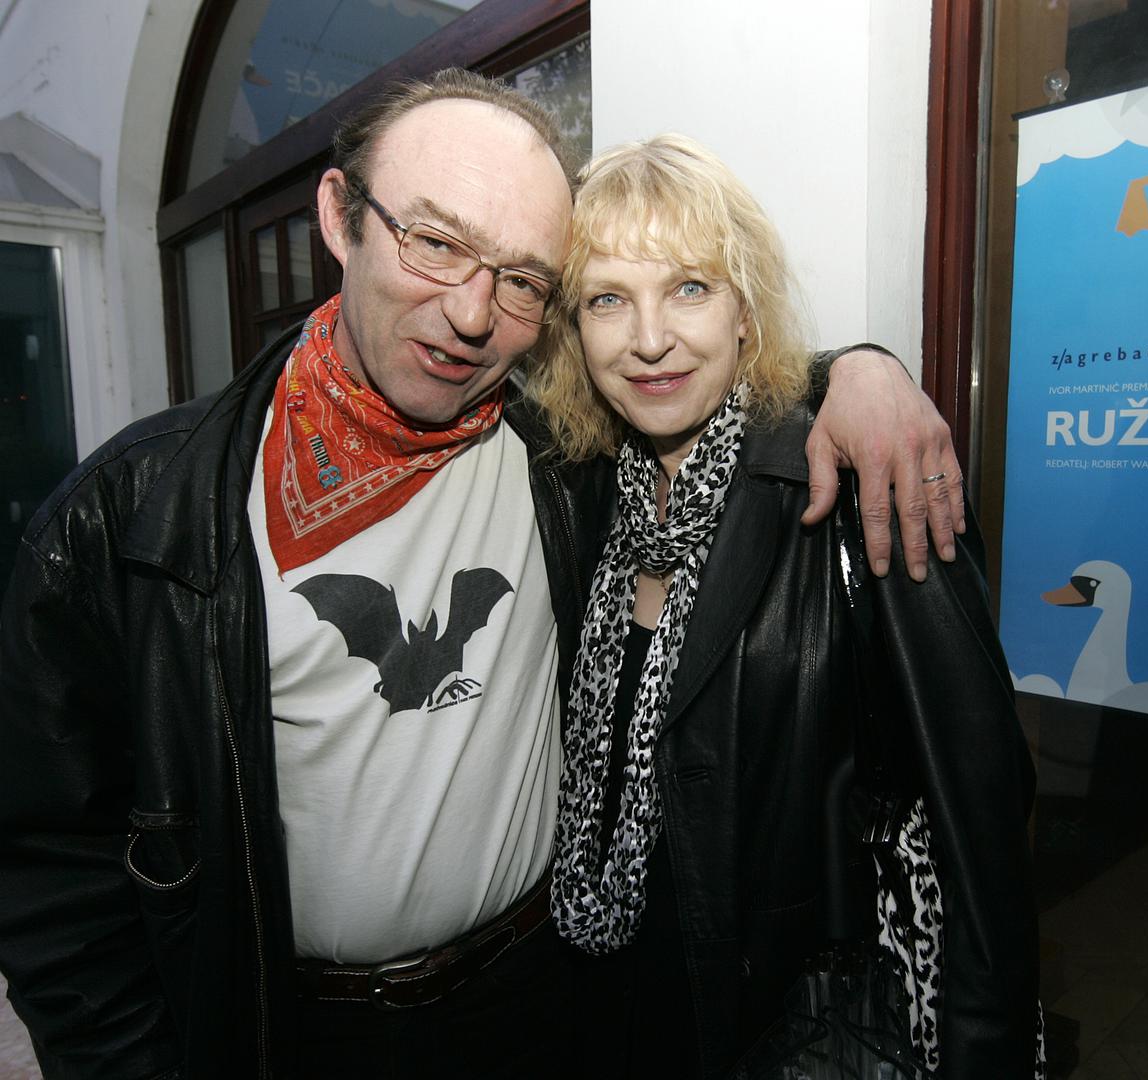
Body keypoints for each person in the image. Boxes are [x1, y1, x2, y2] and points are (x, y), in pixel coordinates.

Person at [0, 70, 962, 1079]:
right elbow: (57, 874)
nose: (471, 314)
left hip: (542, 1006)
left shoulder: (561, 463)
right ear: (340, 218)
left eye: (522, 280)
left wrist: (860, 371)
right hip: (290, 1033)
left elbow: (699, 381)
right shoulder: (137, 511)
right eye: (436, 242)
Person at [534, 134, 1039, 1078]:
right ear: (572, 331)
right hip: (609, 1009)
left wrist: (988, 1049)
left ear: (744, 311)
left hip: (786, 1026)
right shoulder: (581, 495)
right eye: (607, 299)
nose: (650, 339)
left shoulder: (858, 484)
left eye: (690, 287)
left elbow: (982, 803)